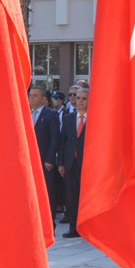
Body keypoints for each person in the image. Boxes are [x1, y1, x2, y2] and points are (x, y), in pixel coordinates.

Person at [58, 88, 89, 237]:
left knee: (86, 196)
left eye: (84, 98)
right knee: (71, 196)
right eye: (78, 98)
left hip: (87, 164)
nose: (80, 101)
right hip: (71, 163)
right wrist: (61, 163)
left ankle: (87, 227)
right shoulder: (68, 118)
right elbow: (63, 142)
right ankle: (73, 227)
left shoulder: (95, 118)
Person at [30, 85, 60, 215]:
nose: (31, 98)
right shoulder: (26, 112)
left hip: (44, 160)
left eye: (35, 96)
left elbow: (55, 139)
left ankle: (50, 220)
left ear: (43, 99)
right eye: (31, 95)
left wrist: (50, 159)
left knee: (47, 190)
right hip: (29, 159)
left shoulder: (51, 115)